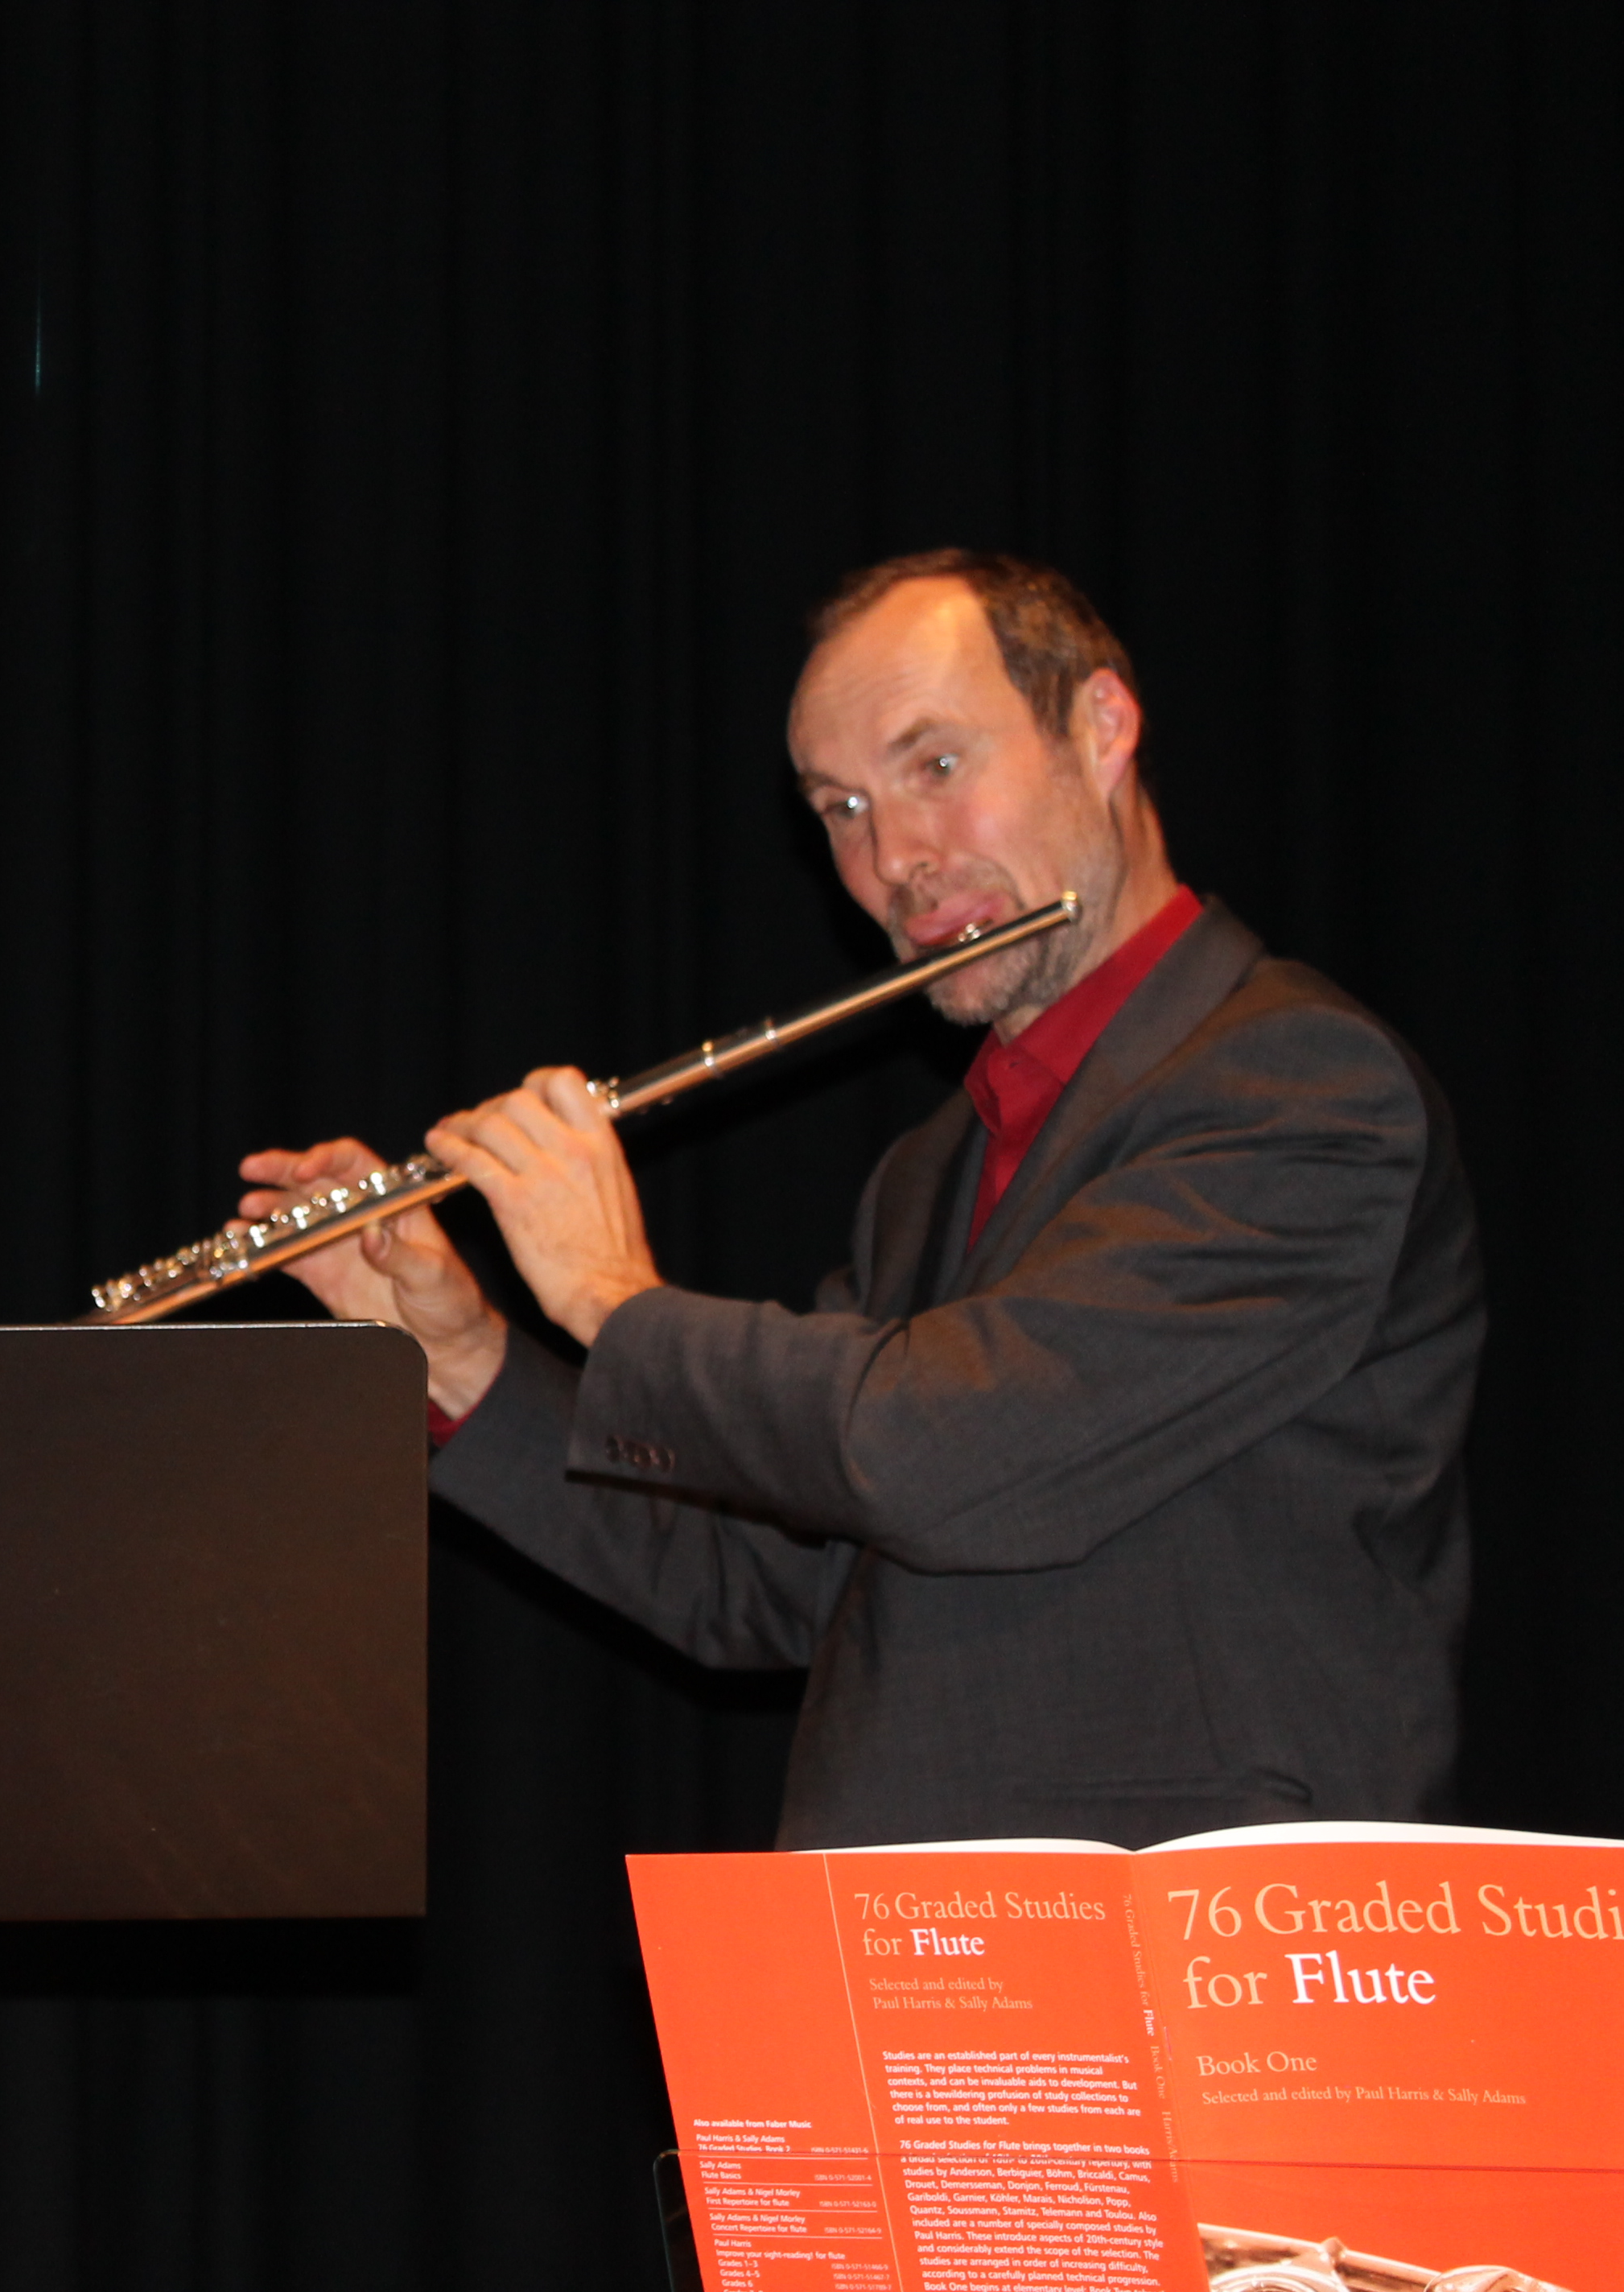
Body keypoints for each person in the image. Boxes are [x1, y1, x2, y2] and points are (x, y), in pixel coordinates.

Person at [241, 550, 1483, 1851]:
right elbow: (761, 1580)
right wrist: (461, 1357)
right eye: (840, 808)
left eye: (935, 766)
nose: (894, 859)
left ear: (1102, 727)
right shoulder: (929, 1175)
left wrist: (610, 1296)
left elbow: (946, 1460)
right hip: (932, 1936)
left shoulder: (1300, 1088)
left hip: (1209, 1934)